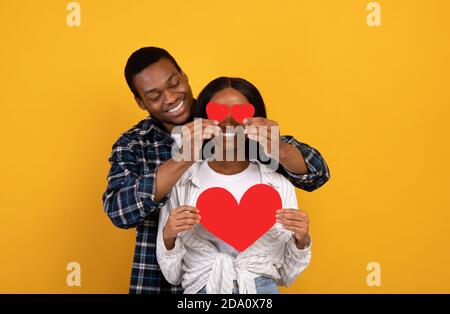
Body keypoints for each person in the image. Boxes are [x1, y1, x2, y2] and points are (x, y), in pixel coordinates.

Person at [102, 47, 329, 294]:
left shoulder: (226, 113)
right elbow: (119, 211)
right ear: (140, 102)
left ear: (185, 76)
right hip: (159, 282)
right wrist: (183, 158)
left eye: (174, 83)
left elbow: (317, 173)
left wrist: (278, 147)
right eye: (155, 96)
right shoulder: (134, 144)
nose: (169, 98)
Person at [157, 77, 311, 294]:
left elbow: (287, 275)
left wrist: (301, 240)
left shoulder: (278, 185)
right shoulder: (182, 183)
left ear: (256, 121)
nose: (228, 122)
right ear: (203, 121)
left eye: (240, 113)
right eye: (217, 112)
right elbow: (172, 276)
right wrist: (168, 235)